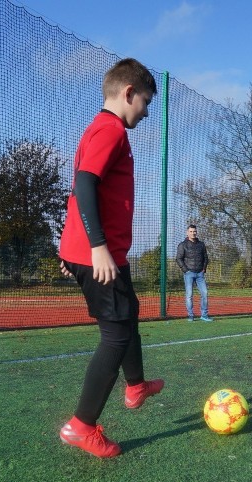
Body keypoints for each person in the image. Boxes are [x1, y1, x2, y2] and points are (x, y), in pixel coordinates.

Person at [57, 58, 163, 458]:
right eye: (146, 102)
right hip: (99, 253)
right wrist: (96, 246)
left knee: (128, 311)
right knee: (115, 335)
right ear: (128, 93)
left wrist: (70, 247)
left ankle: (135, 385)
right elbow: (85, 184)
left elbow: (77, 189)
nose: (147, 112)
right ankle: (82, 426)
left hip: (96, 251)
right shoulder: (110, 129)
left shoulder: (100, 129)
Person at [175, 224, 212, 321]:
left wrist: (204, 269)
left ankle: (204, 315)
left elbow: (206, 258)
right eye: (191, 231)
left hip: (200, 274)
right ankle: (190, 315)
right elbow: (179, 258)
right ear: (187, 232)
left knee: (205, 293)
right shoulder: (182, 245)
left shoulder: (201, 244)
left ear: (196, 232)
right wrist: (186, 270)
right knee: (189, 295)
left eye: (194, 231)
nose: (193, 233)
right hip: (189, 273)